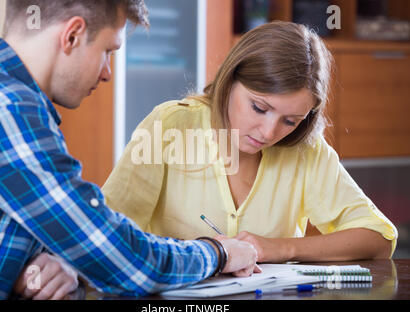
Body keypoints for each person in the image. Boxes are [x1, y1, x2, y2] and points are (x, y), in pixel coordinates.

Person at [0, 0, 259, 300]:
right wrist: (218, 252)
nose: (107, 73)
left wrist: (66, 261)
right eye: (108, 51)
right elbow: (127, 263)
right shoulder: (11, 113)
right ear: (73, 35)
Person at [102, 21, 398, 264]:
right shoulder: (168, 126)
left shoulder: (306, 149)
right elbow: (106, 231)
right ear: (230, 80)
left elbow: (378, 238)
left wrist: (282, 248)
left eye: (290, 120)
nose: (269, 132)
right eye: (259, 107)